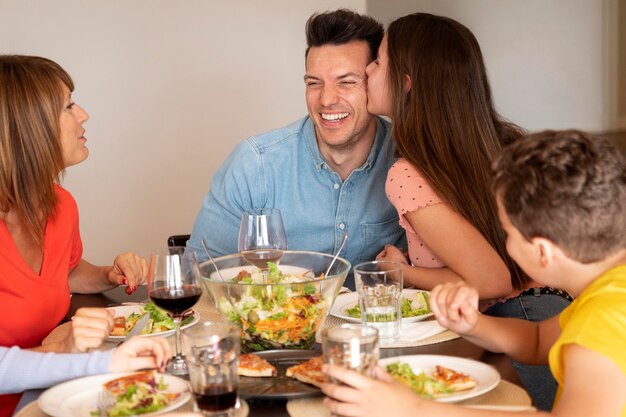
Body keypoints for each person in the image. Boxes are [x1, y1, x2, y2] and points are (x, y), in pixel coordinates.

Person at [322, 129, 626, 417]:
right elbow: (536, 340)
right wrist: (474, 324)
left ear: (542, 251)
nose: (504, 241)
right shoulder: (608, 291)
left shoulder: (602, 323)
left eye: (506, 232)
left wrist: (414, 409)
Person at [364, 13, 571, 409]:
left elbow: (490, 280)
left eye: (378, 61)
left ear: (406, 84)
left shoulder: (405, 173)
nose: (368, 70)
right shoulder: (502, 141)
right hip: (552, 315)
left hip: (520, 323)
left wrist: (401, 274)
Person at [187, 9, 404, 288]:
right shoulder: (254, 165)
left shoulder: (408, 160)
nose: (326, 99)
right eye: (314, 83)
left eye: (347, 82)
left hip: (380, 329)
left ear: (375, 82)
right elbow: (197, 275)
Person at [0, 55, 148, 415]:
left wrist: (104, 275)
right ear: (27, 128)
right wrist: (59, 352)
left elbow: (61, 272)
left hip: (49, 392)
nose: (83, 115)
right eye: (68, 106)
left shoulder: (60, 205)